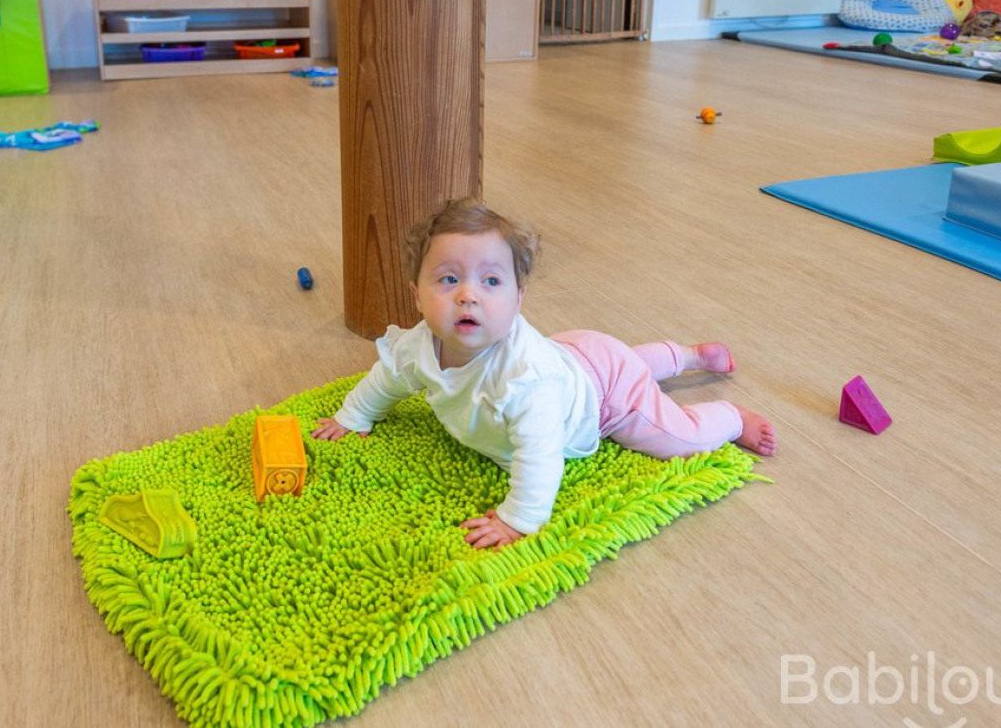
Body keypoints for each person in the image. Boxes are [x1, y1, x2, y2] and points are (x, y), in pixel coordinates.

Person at [312, 198, 776, 549]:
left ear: (519, 298)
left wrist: (519, 518)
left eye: (491, 281)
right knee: (626, 361)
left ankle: (730, 417)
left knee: (675, 436)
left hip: (603, 394)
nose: (468, 296)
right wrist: (354, 416)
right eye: (449, 279)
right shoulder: (417, 348)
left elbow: (540, 455)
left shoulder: (526, 381)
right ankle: (686, 355)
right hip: (577, 355)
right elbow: (386, 380)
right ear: (416, 295)